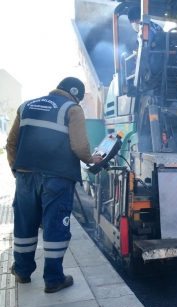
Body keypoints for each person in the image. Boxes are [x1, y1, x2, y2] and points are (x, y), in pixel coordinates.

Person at [6, 77, 103, 293]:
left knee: (25, 225)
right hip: (57, 178)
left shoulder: (26, 106)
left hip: (25, 175)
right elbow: (79, 146)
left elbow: (11, 143)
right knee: (55, 226)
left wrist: (17, 170)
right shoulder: (72, 109)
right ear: (76, 94)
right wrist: (91, 159)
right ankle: (53, 279)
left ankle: (22, 271)